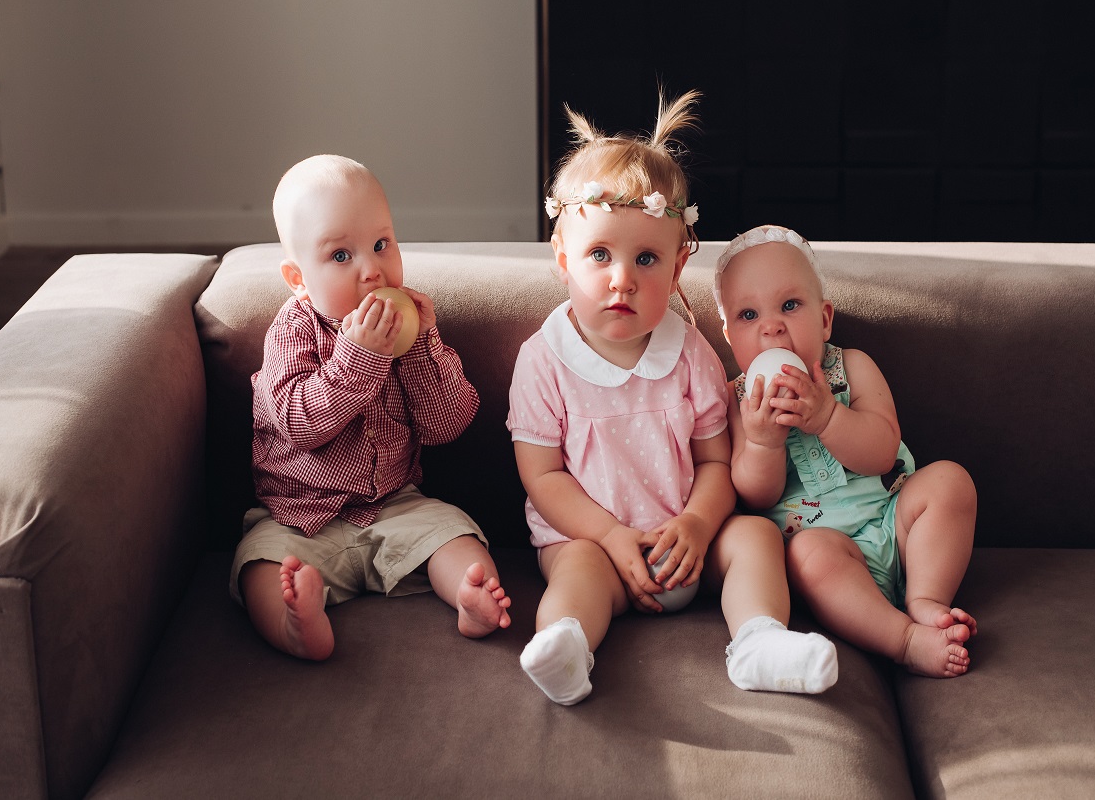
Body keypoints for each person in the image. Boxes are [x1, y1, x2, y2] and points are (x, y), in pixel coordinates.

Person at [507, 94, 837, 705]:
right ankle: (566, 646)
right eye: (599, 255)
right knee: (576, 570)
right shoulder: (544, 359)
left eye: (647, 258)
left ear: (680, 265)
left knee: (757, 540)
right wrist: (608, 535)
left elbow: (715, 463)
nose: (622, 277)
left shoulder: (691, 354)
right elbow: (542, 477)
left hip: (689, 543)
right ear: (563, 262)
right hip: (595, 544)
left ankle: (759, 641)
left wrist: (696, 523)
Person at [231, 154, 511, 660]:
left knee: (456, 534)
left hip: (395, 506)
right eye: (341, 256)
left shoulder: (410, 327)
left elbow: (449, 423)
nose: (371, 270)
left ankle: (470, 598)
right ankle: (294, 622)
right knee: (259, 565)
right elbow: (297, 423)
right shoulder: (292, 332)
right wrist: (359, 359)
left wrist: (423, 345)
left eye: (381, 244)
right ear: (297, 278)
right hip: (297, 517)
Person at [714, 225, 978, 677]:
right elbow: (753, 497)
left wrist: (828, 418)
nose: (772, 326)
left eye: (790, 306)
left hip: (896, 521)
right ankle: (904, 639)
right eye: (748, 315)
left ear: (824, 319)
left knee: (950, 481)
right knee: (807, 557)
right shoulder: (737, 401)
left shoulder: (851, 366)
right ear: (728, 337)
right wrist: (763, 441)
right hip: (828, 552)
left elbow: (883, 451)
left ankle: (925, 597)